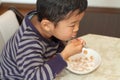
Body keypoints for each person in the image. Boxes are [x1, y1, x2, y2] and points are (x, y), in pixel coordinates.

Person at [0, 0, 88, 80]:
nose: (77, 28)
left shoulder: (46, 19)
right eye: (72, 25)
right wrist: (65, 54)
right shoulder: (29, 45)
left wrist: (67, 46)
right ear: (46, 25)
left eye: (78, 22)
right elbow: (34, 77)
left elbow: (55, 40)